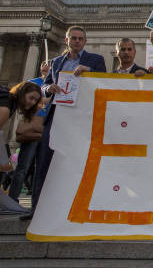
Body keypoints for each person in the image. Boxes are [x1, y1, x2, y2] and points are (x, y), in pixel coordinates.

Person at [27, 26, 107, 219]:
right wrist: (48, 89)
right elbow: (44, 84)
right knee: (44, 160)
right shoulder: (55, 63)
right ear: (67, 40)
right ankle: (36, 209)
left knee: (79, 162)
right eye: (74, 38)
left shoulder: (95, 61)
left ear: (85, 42)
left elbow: (105, 80)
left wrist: (89, 71)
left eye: (80, 38)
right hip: (57, 115)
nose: (77, 41)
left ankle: (74, 208)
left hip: (82, 117)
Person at [8, 63, 50, 202]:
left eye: (50, 65)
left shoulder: (56, 83)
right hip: (33, 126)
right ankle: (12, 199)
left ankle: (37, 201)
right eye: (45, 64)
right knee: (23, 167)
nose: (47, 66)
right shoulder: (33, 83)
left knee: (42, 168)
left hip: (49, 126)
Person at [0, 82, 43, 195]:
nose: (32, 102)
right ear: (22, 93)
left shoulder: (10, 102)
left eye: (35, 100)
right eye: (31, 98)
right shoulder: (6, 105)